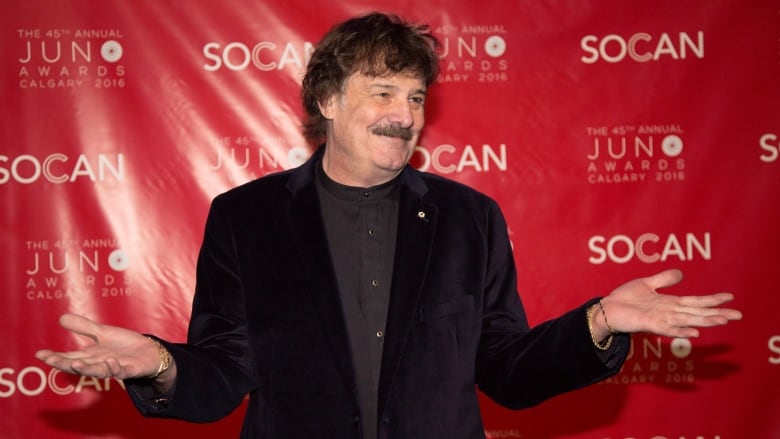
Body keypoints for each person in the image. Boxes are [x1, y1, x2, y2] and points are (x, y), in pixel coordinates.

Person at [36, 12, 742, 439]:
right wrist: (159, 363)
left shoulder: (471, 219)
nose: (404, 114)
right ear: (327, 100)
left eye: (415, 95)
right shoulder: (246, 218)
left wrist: (596, 322)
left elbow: (506, 372)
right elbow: (225, 372)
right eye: (382, 92)